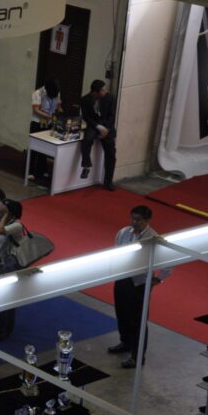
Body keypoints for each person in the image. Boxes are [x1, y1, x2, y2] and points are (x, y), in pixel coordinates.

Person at [108, 205, 170, 368]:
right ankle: (125, 342)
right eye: (132, 219)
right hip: (122, 279)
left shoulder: (154, 239)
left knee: (138, 321)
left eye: (138, 220)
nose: (134, 222)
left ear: (148, 220)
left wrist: (158, 280)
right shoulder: (123, 233)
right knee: (122, 314)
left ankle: (137, 356)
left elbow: (169, 264)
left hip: (140, 284)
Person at [0, 199, 26, 341]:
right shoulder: (6, 222)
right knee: (3, 299)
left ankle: (4, 331)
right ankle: (2, 327)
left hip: (10, 266)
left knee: (8, 300)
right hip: (3, 264)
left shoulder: (17, 225)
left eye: (3, 210)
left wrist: (5, 215)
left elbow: (0, 231)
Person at [79, 79, 117, 191]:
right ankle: (86, 165)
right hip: (94, 125)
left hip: (107, 126)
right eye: (103, 90)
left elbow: (111, 116)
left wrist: (106, 129)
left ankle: (108, 181)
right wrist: (98, 127)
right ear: (95, 92)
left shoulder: (110, 98)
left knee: (111, 153)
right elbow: (86, 117)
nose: (105, 92)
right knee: (87, 140)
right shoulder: (85, 100)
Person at [29, 79, 62, 182]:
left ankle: (41, 171)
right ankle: (30, 172)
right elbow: (36, 110)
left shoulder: (56, 92)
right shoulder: (37, 93)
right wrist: (49, 116)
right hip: (37, 123)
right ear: (48, 90)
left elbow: (59, 106)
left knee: (44, 148)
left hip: (49, 123)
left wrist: (60, 113)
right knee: (34, 148)